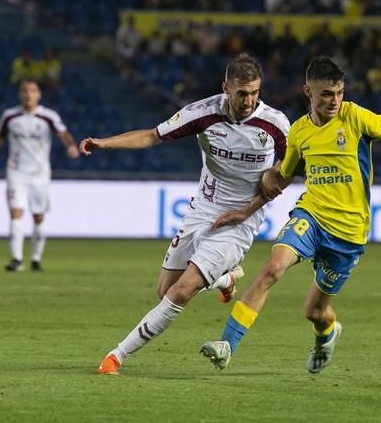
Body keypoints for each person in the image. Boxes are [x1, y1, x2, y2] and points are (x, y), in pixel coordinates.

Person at [199, 56, 381, 374]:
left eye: (339, 92)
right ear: (308, 91)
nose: (335, 100)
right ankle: (227, 345)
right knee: (272, 269)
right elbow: (280, 180)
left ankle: (327, 333)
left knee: (315, 311)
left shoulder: (355, 117)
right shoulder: (299, 133)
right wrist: (246, 211)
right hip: (311, 217)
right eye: (327, 93)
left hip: (349, 232)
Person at [81, 54, 290, 375]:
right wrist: (104, 143)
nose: (248, 101)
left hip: (242, 220)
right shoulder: (203, 113)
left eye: (254, 93)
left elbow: (288, 170)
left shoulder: (275, 125)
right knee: (165, 290)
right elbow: (153, 135)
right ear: (226, 88)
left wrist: (269, 180)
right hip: (203, 208)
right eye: (241, 93)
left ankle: (115, 357)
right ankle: (226, 277)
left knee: (182, 291)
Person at [0, 80, 80, 272]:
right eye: (24, 91)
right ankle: (17, 259)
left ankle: (36, 259)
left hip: (40, 174)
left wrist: (70, 145)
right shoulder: (9, 116)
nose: (28, 94)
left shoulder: (48, 116)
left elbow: (63, 134)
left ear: (38, 95)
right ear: (19, 94)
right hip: (16, 172)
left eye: (32, 91)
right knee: (16, 213)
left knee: (38, 217)